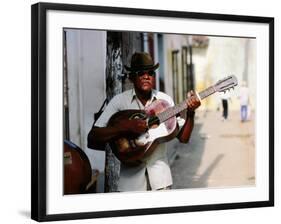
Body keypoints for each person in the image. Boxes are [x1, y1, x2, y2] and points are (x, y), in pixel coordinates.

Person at [87, 52, 201, 192]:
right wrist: (125, 127)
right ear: (132, 77)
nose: (146, 76)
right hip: (130, 184)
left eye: (150, 72)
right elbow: (93, 135)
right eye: (141, 72)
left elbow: (183, 138)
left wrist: (191, 112)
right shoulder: (119, 102)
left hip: (161, 182)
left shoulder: (164, 101)